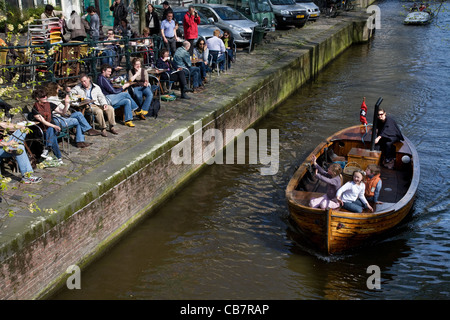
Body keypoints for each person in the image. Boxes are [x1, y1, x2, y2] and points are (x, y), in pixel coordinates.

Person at [46, 82, 100, 147]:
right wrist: (67, 103)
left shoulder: (53, 98)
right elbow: (64, 111)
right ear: (54, 90)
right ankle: (81, 139)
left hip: (61, 116)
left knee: (79, 114)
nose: (58, 91)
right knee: (78, 120)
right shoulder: (52, 100)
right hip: (59, 120)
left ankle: (87, 132)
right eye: (57, 89)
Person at [31, 87, 64, 164]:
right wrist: (55, 126)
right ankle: (58, 157)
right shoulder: (35, 109)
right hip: (41, 130)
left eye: (46, 95)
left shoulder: (49, 104)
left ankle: (47, 149)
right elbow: (43, 121)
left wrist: (66, 104)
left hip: (51, 129)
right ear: (37, 98)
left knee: (50, 130)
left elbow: (62, 112)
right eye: (43, 96)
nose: (45, 97)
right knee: (52, 135)